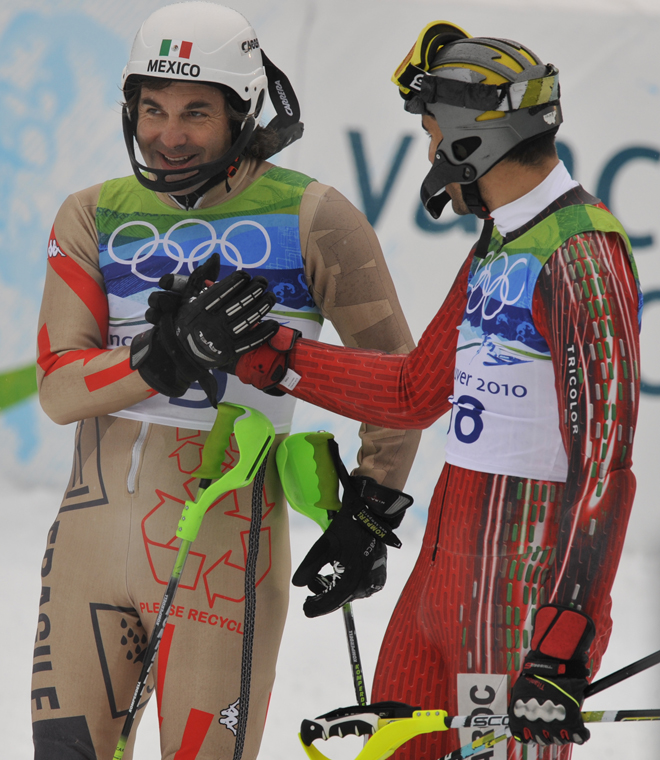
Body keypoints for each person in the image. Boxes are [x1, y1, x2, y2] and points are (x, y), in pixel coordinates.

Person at [224, 21, 643, 760]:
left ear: (464, 139)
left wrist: (566, 638)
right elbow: (417, 389)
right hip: (442, 578)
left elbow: (604, 466)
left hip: (511, 595)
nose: (427, 156)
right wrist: (269, 355)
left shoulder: (579, 253)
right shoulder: (508, 239)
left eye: (428, 133)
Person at [32, 3, 420, 759]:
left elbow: (396, 385)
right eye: (152, 109)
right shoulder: (92, 214)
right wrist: (162, 353)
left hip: (226, 554)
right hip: (84, 553)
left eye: (195, 113)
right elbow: (57, 390)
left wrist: (369, 512)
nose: (168, 134)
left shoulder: (315, 217)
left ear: (242, 115)